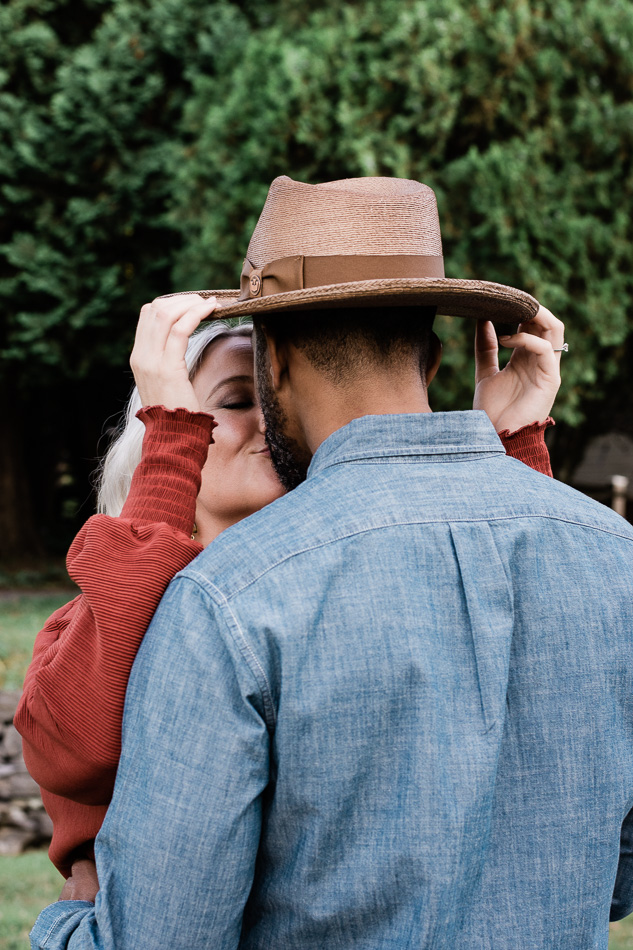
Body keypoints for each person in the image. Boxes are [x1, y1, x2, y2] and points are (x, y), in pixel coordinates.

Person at [30, 174, 622, 950]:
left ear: (276, 365)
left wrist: (71, 921)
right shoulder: (614, 557)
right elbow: (602, 866)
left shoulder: (233, 601)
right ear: (433, 360)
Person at [17, 301, 556, 880]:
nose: (273, 421)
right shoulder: (82, 627)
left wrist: (510, 450)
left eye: (279, 397)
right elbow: (78, 748)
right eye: (236, 401)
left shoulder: (350, 592)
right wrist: (172, 436)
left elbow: (528, 680)